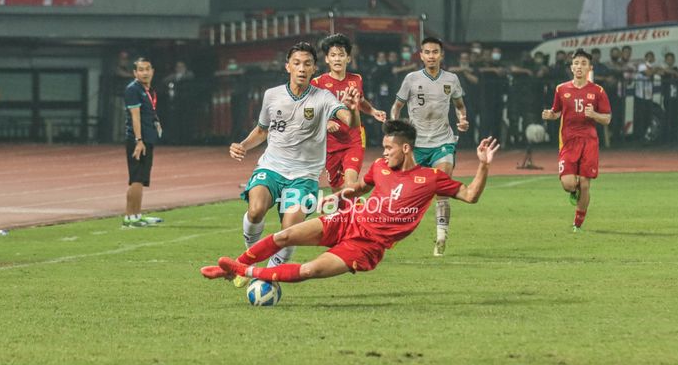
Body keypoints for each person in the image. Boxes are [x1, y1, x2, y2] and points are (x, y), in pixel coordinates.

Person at [200, 120, 499, 284]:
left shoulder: (431, 178)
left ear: (406, 149)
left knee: (309, 271)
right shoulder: (380, 168)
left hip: (367, 245)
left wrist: (483, 165)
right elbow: (359, 189)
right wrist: (340, 195)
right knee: (284, 235)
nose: (383, 154)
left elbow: (470, 195)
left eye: (388, 148)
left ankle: (242, 272)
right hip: (349, 219)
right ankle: (233, 266)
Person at [228, 41, 360, 287]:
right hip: (272, 168)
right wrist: (243, 145)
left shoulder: (323, 97)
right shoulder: (272, 95)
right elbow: (262, 130)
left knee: (290, 229)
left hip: (304, 176)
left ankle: (270, 277)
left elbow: (349, 121)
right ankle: (250, 260)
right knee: (256, 210)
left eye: (307, 64)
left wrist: (353, 110)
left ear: (313, 69)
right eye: (297, 63)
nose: (301, 68)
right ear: (287, 66)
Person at [390, 37, 469, 256]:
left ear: (441, 55)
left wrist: (462, 119)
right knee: (405, 193)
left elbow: (460, 106)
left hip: (443, 142)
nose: (431, 56)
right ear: (421, 55)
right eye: (427, 52)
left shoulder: (451, 79)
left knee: (442, 189)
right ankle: (391, 234)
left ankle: (441, 238)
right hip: (417, 144)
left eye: (435, 52)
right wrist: (394, 130)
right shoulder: (411, 79)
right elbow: (396, 107)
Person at [541, 49, 611, 233]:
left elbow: (607, 118)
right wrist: (550, 115)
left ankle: (578, 223)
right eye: (577, 63)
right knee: (568, 184)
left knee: (586, 184)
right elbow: (556, 112)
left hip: (589, 142)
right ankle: (574, 191)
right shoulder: (561, 89)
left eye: (583, 63)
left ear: (590, 68)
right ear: (572, 67)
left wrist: (594, 114)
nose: (579, 67)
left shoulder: (598, 91)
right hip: (568, 142)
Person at [311, 33, 387, 192]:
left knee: (350, 185)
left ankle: (358, 214)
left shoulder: (356, 79)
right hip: (330, 143)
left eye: (341, 55)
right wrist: (326, 122)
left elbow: (360, 101)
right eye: (333, 55)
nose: (337, 59)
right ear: (327, 59)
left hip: (354, 138)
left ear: (348, 58)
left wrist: (372, 111)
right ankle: (341, 215)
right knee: (337, 192)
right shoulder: (317, 83)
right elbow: (310, 113)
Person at [123, 57, 164, 228]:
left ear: (152, 71)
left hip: (147, 138)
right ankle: (130, 217)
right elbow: (135, 117)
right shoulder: (133, 90)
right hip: (139, 140)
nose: (145, 72)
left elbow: (149, 112)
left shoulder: (147, 90)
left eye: (147, 69)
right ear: (135, 73)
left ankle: (137, 214)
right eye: (141, 69)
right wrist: (138, 140)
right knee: (136, 178)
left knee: (141, 178)